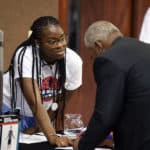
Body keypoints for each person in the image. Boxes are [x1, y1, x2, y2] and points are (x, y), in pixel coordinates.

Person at [3, 16, 82, 147]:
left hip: (38, 116)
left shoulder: (74, 61)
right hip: (9, 110)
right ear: (37, 42)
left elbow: (62, 99)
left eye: (62, 38)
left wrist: (38, 127)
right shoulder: (25, 55)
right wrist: (52, 137)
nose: (60, 45)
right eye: (52, 41)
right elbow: (34, 101)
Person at [75, 20, 150, 150]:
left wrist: (83, 145)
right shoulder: (146, 48)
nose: (93, 59)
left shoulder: (108, 59)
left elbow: (105, 114)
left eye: (92, 54)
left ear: (98, 45)